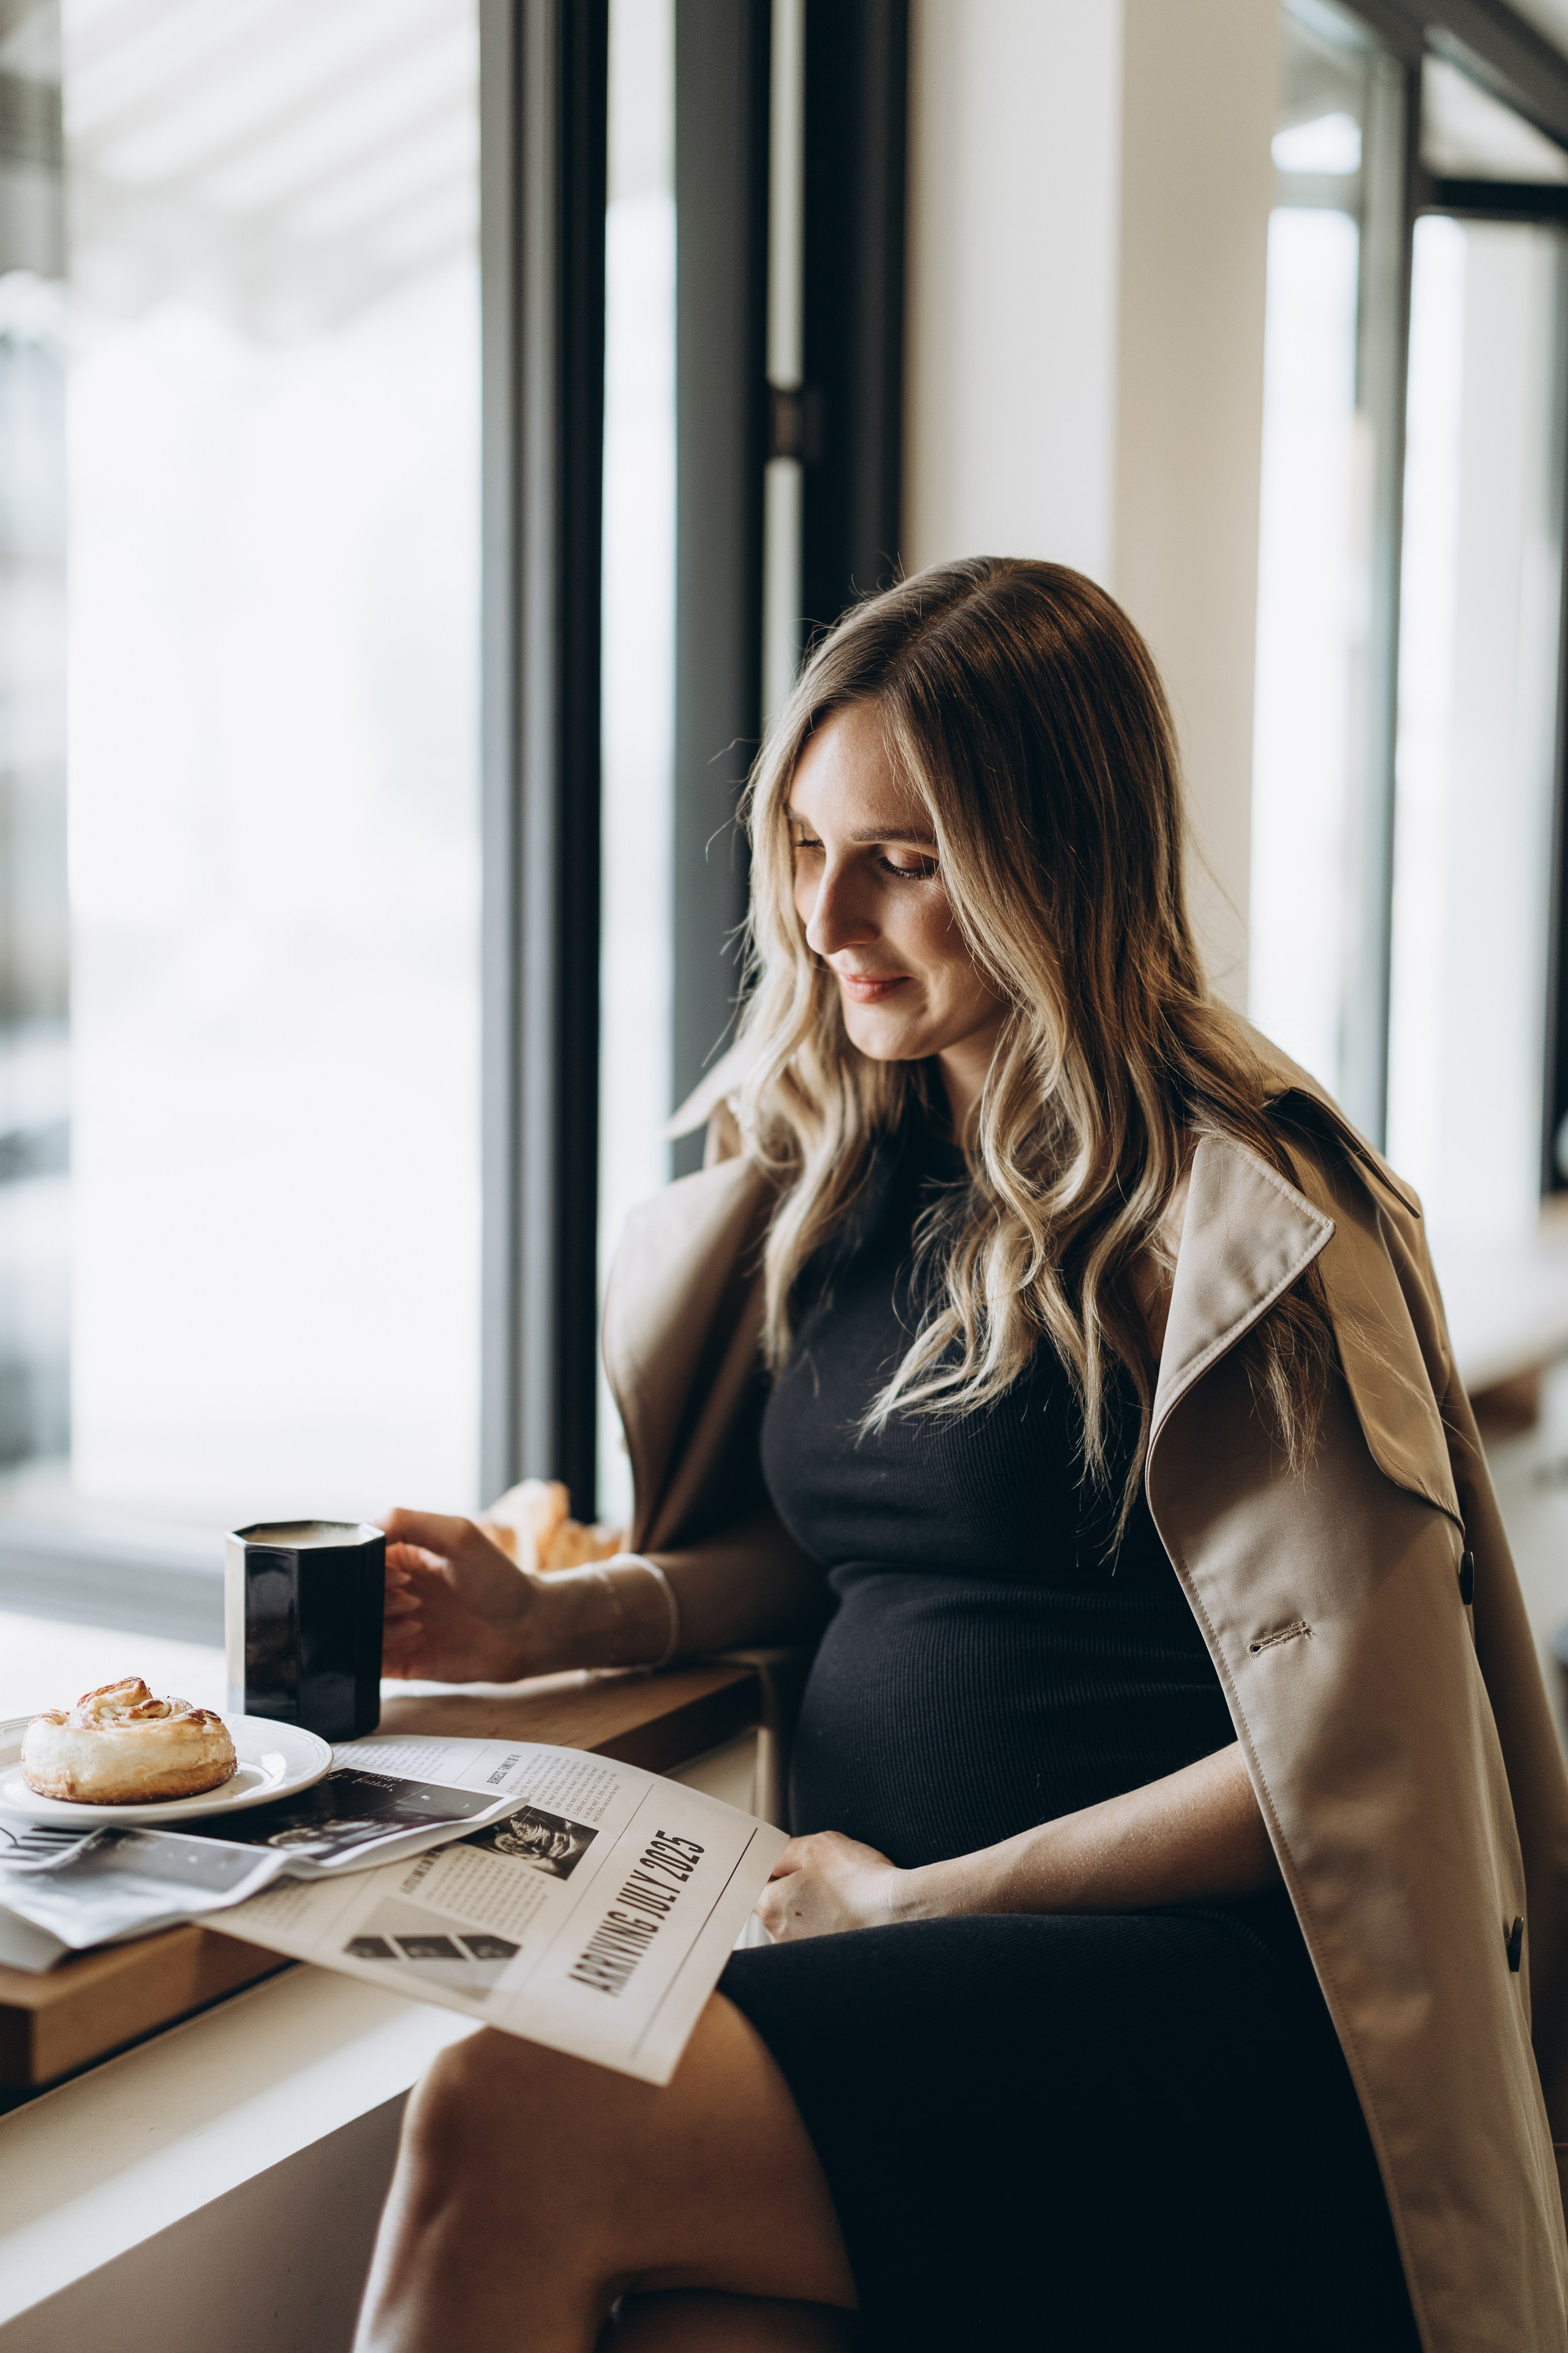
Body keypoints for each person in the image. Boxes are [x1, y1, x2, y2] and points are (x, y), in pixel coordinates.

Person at [355, 561, 1568, 2353]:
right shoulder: (847, 1168)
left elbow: (1365, 1749)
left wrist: (913, 1897)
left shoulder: (1244, 1218)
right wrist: (558, 1620)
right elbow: (858, 1552)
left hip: (1200, 2018)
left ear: (1052, 862)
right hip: (908, 1980)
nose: (830, 913)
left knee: (500, 2116)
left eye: (904, 860)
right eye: (807, 844)